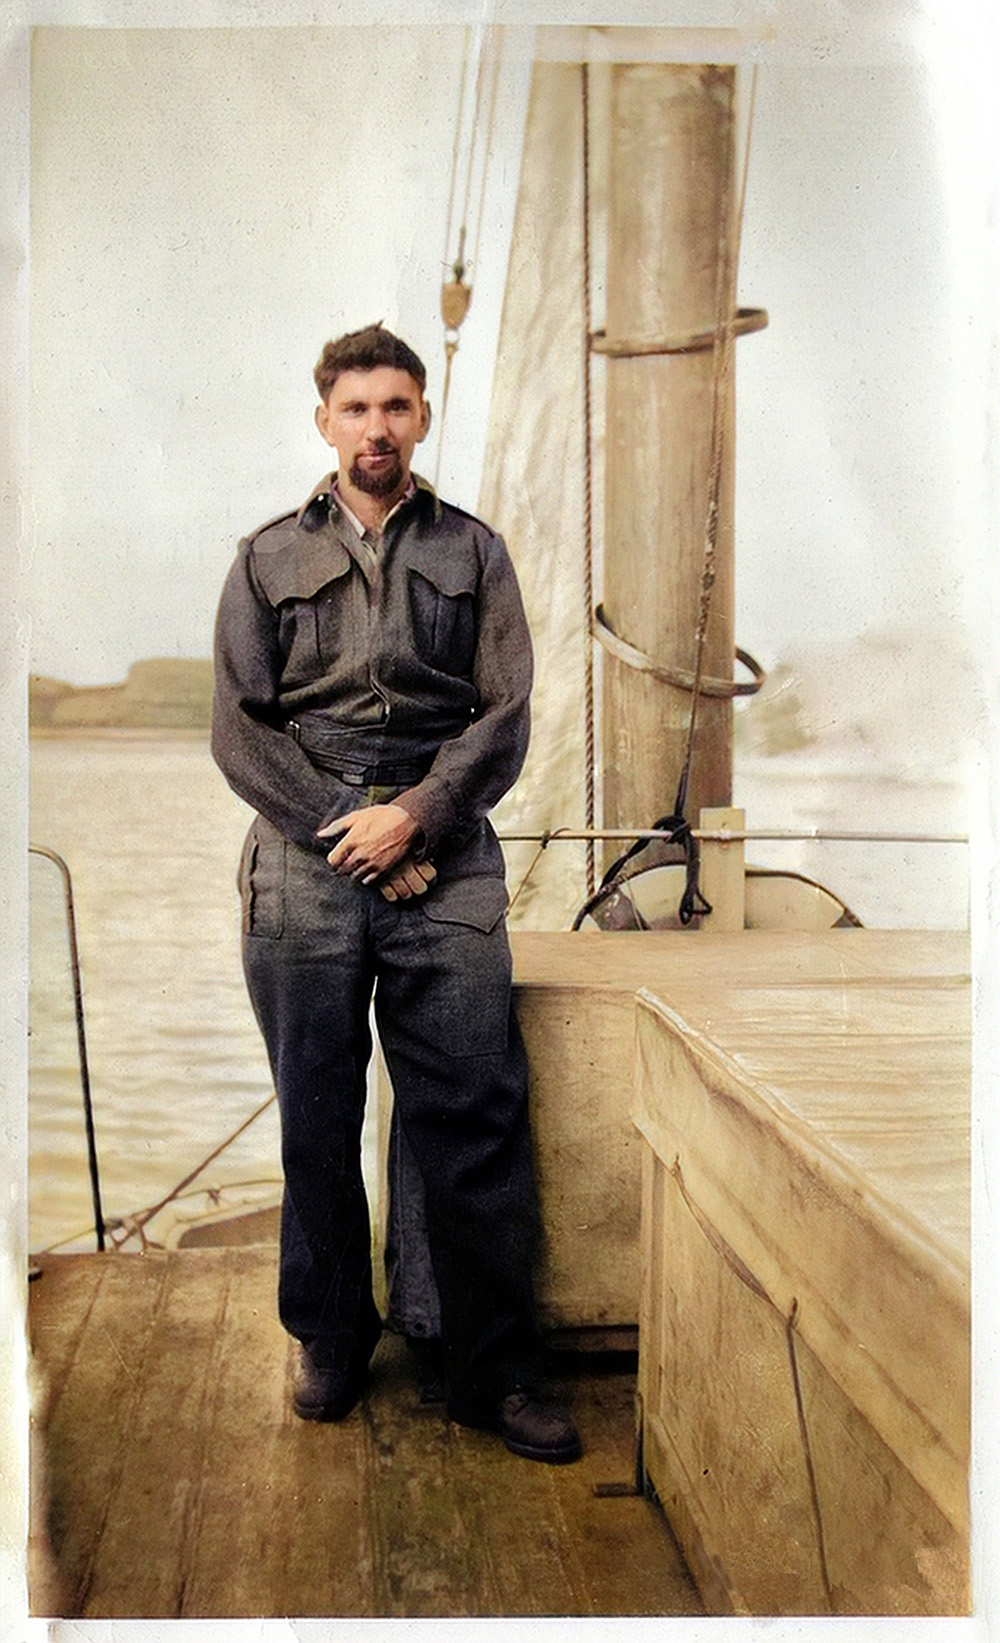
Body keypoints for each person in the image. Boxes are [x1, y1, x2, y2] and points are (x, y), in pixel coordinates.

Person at [211, 323, 581, 1464]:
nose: (378, 427)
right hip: (305, 864)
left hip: (447, 861)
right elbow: (239, 728)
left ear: (422, 418)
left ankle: (490, 1368)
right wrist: (355, 835)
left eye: (397, 407)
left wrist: (415, 819)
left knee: (471, 1118)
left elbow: (503, 714)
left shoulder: (474, 551)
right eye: (356, 407)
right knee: (316, 1119)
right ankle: (329, 1337)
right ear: (323, 419)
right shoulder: (267, 555)